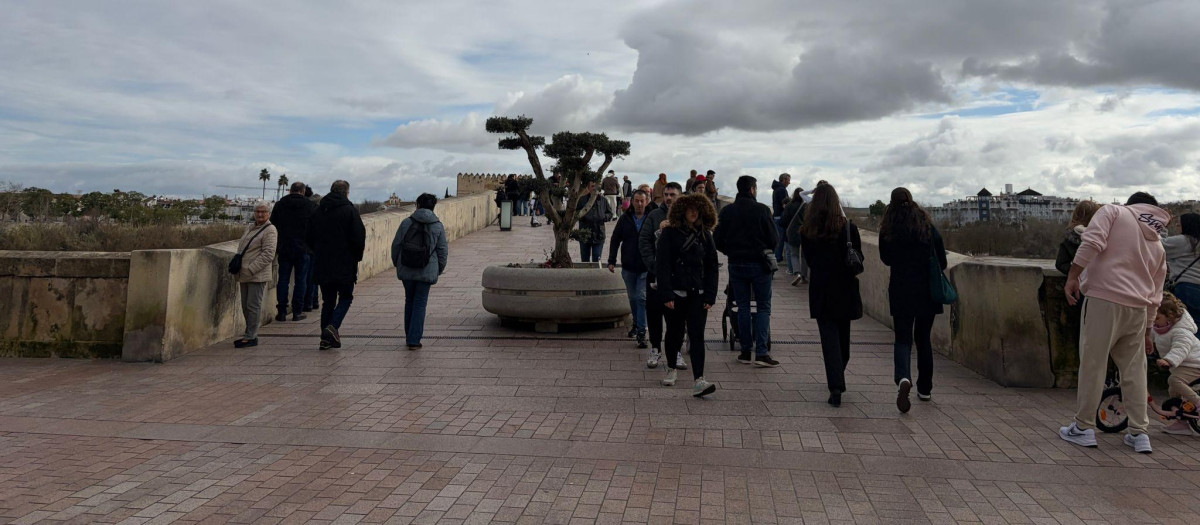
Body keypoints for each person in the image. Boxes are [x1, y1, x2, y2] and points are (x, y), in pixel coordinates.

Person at [1061, 191, 1170, 454]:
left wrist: (1073, 276)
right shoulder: (1157, 244)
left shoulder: (1112, 212)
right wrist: (1147, 330)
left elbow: (1091, 242)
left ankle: (1084, 427)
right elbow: (1156, 294)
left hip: (1103, 299)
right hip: (1138, 309)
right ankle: (1139, 432)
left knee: (1093, 363)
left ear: (1131, 204)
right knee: (1134, 371)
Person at [878, 188, 948, 413]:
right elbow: (943, 261)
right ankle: (925, 388)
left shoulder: (888, 229)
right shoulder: (927, 227)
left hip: (901, 289)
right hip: (927, 289)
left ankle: (903, 378)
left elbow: (886, 259)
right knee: (923, 339)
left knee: (903, 338)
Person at [800, 184, 863, 407]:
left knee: (829, 341)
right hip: (844, 288)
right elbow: (858, 258)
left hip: (821, 289)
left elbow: (809, 261)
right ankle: (837, 377)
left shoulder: (807, 230)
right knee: (843, 340)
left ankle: (835, 385)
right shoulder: (848, 228)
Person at [656, 193, 719, 397]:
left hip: (698, 293)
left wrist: (710, 295)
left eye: (697, 209)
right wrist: (666, 294)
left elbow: (712, 267)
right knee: (674, 333)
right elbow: (662, 265)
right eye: (690, 209)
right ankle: (672, 368)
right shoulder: (669, 233)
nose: (693, 212)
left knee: (697, 336)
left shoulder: (705, 235)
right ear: (682, 211)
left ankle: (699, 379)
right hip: (675, 291)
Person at [714, 175, 780, 368]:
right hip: (759, 265)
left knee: (742, 307)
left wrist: (731, 251)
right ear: (752, 189)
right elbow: (774, 239)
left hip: (736, 264)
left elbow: (717, 239)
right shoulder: (761, 210)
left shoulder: (728, 211)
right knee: (763, 307)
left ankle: (744, 351)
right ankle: (761, 353)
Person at [307, 180, 367, 351]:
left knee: (328, 301)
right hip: (344, 263)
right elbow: (358, 238)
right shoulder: (349, 211)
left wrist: (318, 251)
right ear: (347, 192)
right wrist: (355, 257)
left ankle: (325, 340)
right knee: (346, 297)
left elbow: (309, 236)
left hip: (323, 263)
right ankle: (332, 327)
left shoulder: (319, 210)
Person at [392, 193, 449, 351]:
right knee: (420, 304)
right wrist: (438, 269)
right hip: (427, 270)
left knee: (409, 301)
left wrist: (397, 264)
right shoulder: (437, 225)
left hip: (407, 267)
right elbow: (443, 251)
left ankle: (409, 336)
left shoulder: (406, 223)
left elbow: (396, 245)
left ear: (417, 205)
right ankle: (414, 339)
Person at [640, 182, 685, 369]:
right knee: (654, 312)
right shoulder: (654, 215)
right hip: (656, 274)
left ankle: (676, 351)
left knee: (678, 316)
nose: (668, 198)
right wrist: (654, 265)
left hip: (679, 276)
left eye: (672, 194)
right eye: (666, 194)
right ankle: (656, 348)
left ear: (680, 196)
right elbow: (644, 241)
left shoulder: (686, 216)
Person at [609, 190, 652, 349]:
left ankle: (642, 332)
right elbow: (615, 239)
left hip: (646, 266)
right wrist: (611, 260)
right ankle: (636, 322)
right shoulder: (625, 219)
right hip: (628, 265)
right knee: (633, 298)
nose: (640, 204)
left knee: (641, 298)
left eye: (642, 201)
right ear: (632, 202)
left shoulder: (651, 217)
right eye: (637, 201)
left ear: (647, 201)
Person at [1152, 292, 1200, 435]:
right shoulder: (1161, 328)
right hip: (1183, 366)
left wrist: (1168, 360)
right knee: (1174, 391)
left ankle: (1198, 403)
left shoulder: (1181, 331)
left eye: (1157, 317)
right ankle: (1182, 422)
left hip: (1195, 365)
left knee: (1174, 381)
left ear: (1170, 316)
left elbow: (1181, 349)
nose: (1154, 321)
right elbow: (1148, 336)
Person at [270, 181, 316, 322]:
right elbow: (316, 228)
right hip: (303, 248)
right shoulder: (311, 206)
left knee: (283, 280)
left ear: (290, 191)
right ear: (302, 191)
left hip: (284, 247)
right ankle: (297, 312)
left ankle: (282, 312)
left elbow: (273, 225)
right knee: (300, 280)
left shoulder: (280, 204)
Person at [234, 202, 278, 348]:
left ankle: (251, 336)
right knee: (246, 306)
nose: (260, 214)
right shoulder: (250, 227)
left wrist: (252, 268)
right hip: (244, 273)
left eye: (263, 212)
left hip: (256, 274)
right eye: (258, 211)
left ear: (269, 214)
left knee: (253, 305)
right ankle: (249, 333)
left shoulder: (270, 230)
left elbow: (268, 254)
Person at [1163, 213, 1200, 324]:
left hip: (1187, 287)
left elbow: (1156, 247)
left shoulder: (1183, 241)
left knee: (1187, 324)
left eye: (1179, 225)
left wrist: (1163, 227)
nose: (1178, 227)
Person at [1055, 200, 1101, 275]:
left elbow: (1060, 264)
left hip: (1080, 282)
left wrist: (1078, 273)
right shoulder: (1103, 235)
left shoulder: (1070, 237)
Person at [576, 181, 612, 263]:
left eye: (596, 186)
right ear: (588, 188)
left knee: (596, 259)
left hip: (599, 234)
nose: (595, 188)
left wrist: (604, 217)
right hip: (584, 234)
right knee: (585, 260)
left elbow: (610, 213)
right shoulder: (582, 200)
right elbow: (576, 213)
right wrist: (583, 217)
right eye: (592, 186)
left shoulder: (603, 200)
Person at [782, 187, 808, 285]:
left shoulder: (789, 205)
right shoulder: (806, 206)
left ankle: (797, 273)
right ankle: (804, 276)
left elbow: (784, 220)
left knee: (794, 254)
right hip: (804, 231)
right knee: (804, 255)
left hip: (792, 231)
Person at [302, 185, 321, 311]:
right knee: (313, 276)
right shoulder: (318, 210)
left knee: (306, 277)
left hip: (305, 247)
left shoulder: (306, 209)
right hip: (315, 247)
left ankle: (307, 302)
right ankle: (313, 301)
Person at [771, 173, 791, 266]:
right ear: (783, 180)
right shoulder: (781, 190)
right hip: (780, 218)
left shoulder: (777, 189)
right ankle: (777, 258)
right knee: (781, 239)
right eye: (788, 180)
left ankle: (777, 257)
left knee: (779, 238)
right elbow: (785, 205)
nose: (789, 182)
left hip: (776, 216)